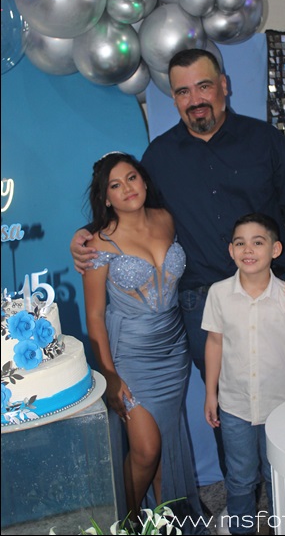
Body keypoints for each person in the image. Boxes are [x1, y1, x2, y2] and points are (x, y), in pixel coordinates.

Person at [70, 48, 285, 476]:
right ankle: (242, 499)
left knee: (282, 399)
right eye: (183, 91)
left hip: (271, 296)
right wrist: (86, 235)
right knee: (228, 408)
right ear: (173, 99)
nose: (195, 99)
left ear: (223, 86)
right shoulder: (159, 158)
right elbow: (132, 215)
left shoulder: (265, 141)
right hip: (201, 307)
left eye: (203, 86)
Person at [81, 151, 207, 533]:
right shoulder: (98, 244)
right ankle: (129, 521)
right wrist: (109, 375)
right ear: (105, 198)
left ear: (144, 180)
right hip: (130, 355)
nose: (127, 189)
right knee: (146, 449)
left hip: (173, 348)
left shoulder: (166, 219)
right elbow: (94, 317)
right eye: (115, 185)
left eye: (131, 178)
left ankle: (163, 521)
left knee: (165, 444)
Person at [203, 213, 285, 535]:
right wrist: (211, 394)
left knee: (278, 474)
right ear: (231, 250)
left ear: (275, 249)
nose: (248, 250)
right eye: (240, 243)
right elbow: (214, 343)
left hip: (280, 407)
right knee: (240, 477)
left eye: (257, 242)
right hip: (234, 405)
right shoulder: (218, 293)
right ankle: (242, 530)